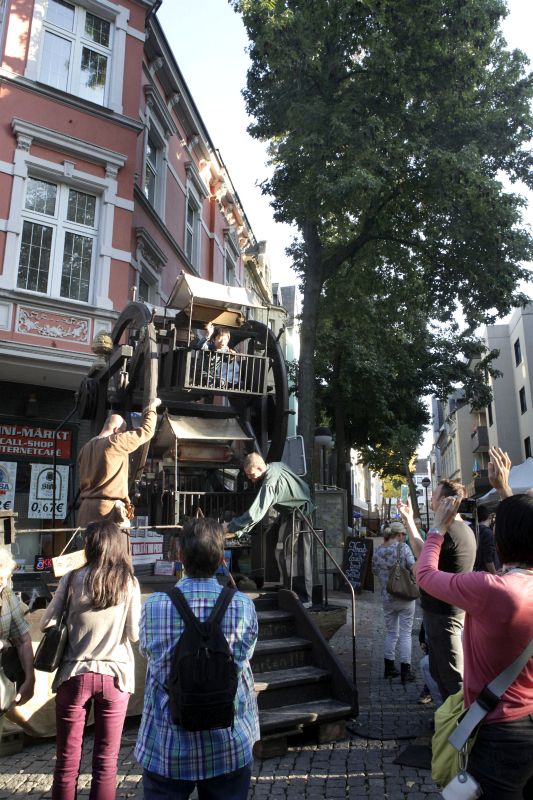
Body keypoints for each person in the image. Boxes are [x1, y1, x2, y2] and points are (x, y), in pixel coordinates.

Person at [416, 482, 533, 799]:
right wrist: (506, 491)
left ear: (502, 539)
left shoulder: (492, 590)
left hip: (501, 730)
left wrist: (437, 529)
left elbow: (425, 575)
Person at [135, 518, 259, 799]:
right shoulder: (242, 605)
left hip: (168, 744)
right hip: (228, 743)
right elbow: (245, 658)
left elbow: (148, 654)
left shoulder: (155, 606)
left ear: (180, 556)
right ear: (222, 558)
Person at [41, 521, 141, 800]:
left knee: (66, 762)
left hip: (74, 673)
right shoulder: (129, 582)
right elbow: (134, 634)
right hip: (115, 676)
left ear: (90, 546)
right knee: (106, 763)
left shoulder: (72, 578)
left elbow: (47, 622)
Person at [398, 479, 476, 702]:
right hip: (444, 614)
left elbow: (420, 566)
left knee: (451, 679)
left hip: (445, 616)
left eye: (434, 495)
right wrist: (409, 520)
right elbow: (425, 552)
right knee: (439, 672)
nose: (431, 498)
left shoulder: (449, 532)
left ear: (444, 502)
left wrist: (416, 566)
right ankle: (449, 717)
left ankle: (459, 721)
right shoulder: (459, 529)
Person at [224, 453, 315, 607]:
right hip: (289, 513)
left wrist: (231, 527)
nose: (251, 479)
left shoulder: (270, 482)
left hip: (300, 515)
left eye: (251, 475)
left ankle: (303, 597)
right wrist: (239, 531)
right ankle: (284, 587)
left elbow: (257, 511)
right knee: (275, 543)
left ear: (260, 468)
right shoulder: (276, 465)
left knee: (295, 556)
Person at [77, 397, 161, 527]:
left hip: (84, 510)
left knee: (85, 541)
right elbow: (147, 431)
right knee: (113, 541)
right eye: (123, 431)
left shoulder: (85, 448)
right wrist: (152, 407)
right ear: (117, 430)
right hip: (107, 511)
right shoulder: (115, 441)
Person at [372, 521, 417, 682]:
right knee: (405, 634)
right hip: (404, 596)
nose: (404, 537)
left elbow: (375, 571)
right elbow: (414, 568)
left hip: (387, 597)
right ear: (398, 535)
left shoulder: (378, 550)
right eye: (403, 534)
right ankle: (405, 671)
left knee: (391, 633)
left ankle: (389, 667)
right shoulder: (403, 548)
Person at [0, 549, 35, 735]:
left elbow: (23, 639)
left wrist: (30, 678)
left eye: (4, 578)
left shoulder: (6, 594)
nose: (2, 584)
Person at [473, 504, 501, 573]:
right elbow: (488, 558)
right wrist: (494, 573)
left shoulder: (470, 529)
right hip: (486, 573)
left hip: (475, 571)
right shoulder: (487, 533)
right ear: (489, 517)